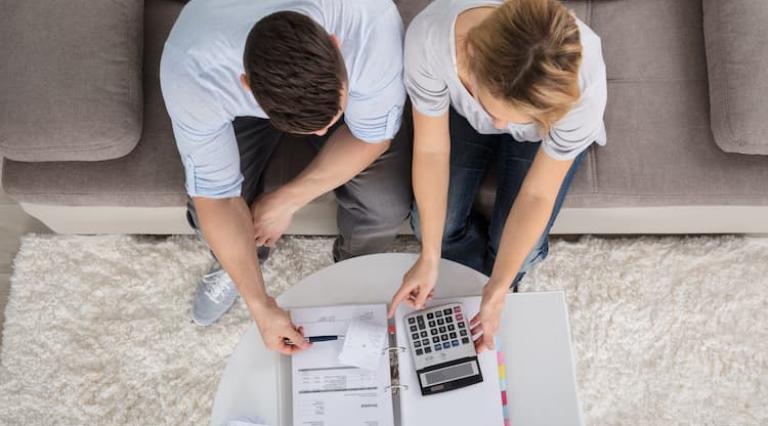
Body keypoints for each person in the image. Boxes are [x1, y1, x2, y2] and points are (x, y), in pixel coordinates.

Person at [160, 0, 410, 354]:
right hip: (237, 99)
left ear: (335, 43)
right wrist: (259, 305)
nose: (322, 133)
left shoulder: (370, 23)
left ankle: (350, 274)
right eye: (311, 128)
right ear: (246, 84)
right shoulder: (191, 67)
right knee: (208, 218)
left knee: (385, 205)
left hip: (341, 79)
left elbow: (370, 137)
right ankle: (242, 266)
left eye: (331, 117)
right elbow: (215, 198)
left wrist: (287, 200)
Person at [387, 0, 607, 352]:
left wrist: (499, 286)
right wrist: (429, 256)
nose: (500, 127)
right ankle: (466, 263)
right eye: (496, 111)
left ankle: (493, 276)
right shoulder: (429, 38)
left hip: (543, 131)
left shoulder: (582, 88)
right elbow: (430, 150)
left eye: (512, 117)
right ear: (469, 53)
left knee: (523, 250)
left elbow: (538, 194)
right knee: (433, 229)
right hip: (462, 114)